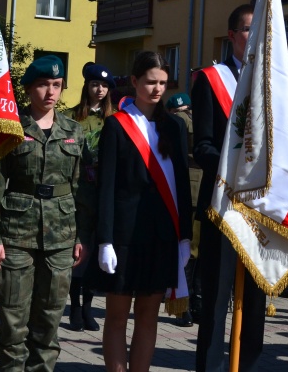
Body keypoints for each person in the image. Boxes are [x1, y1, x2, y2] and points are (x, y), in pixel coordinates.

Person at [0, 55, 85, 371]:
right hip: (16, 234)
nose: (50, 92)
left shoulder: (74, 131)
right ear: (27, 88)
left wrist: (81, 236)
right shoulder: (10, 129)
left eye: (56, 85)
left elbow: (81, 189)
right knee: (13, 319)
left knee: (50, 319)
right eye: (42, 85)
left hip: (61, 235)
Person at [90, 51, 192, 372]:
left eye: (163, 82)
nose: (157, 89)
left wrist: (185, 236)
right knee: (117, 316)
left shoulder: (175, 127)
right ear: (134, 81)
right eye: (150, 82)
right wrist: (104, 239)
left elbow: (183, 185)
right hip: (124, 237)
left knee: (148, 317)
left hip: (162, 236)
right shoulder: (116, 126)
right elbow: (106, 187)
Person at [193, 4, 266, 372]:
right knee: (217, 297)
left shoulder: (271, 82)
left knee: (254, 299)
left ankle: (246, 366)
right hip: (222, 203)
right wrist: (233, 172)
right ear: (233, 35)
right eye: (248, 29)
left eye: (259, 30)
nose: (253, 37)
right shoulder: (211, 80)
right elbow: (203, 145)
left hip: (260, 207)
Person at [64, 62, 115, 332]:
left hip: (103, 193)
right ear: (87, 87)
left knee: (96, 250)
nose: (99, 90)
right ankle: (74, 306)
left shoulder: (115, 120)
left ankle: (88, 307)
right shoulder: (70, 117)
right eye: (95, 84)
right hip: (77, 192)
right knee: (79, 250)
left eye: (104, 86)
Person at [165, 91, 201, 326]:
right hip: (202, 188)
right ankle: (192, 303)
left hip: (189, 187)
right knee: (196, 250)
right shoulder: (197, 119)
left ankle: (186, 304)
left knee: (190, 250)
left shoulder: (177, 121)